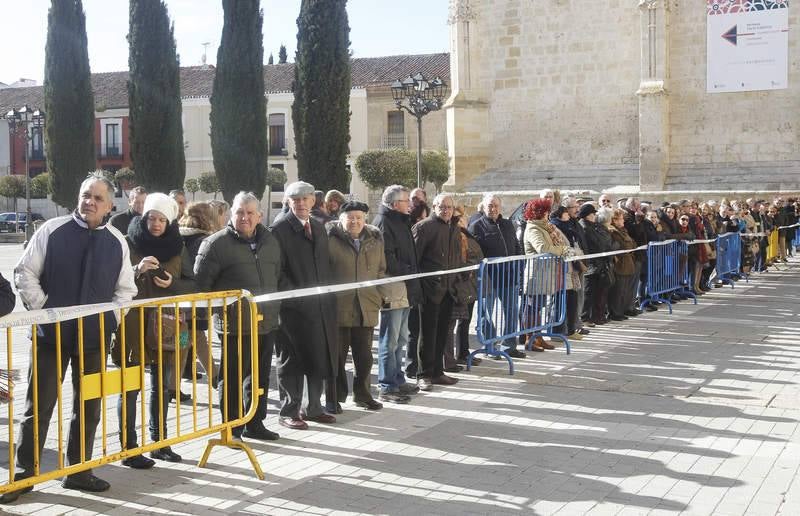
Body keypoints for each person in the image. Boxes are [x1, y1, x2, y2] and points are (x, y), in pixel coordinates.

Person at [6, 172, 137, 502]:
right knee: (39, 405)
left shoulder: (117, 242)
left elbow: (126, 290)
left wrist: (109, 320)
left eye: (97, 197)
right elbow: (25, 273)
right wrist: (45, 310)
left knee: (89, 407)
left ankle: (78, 471)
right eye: (85, 195)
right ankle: (25, 473)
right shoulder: (51, 230)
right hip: (50, 338)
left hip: (93, 340)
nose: (89, 202)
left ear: (109, 205)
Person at [195, 191, 283, 440]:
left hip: (265, 322)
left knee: (259, 376)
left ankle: (255, 423)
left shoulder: (271, 241)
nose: (244, 217)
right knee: (232, 378)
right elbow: (202, 286)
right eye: (239, 212)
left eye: (249, 213)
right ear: (231, 214)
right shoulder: (215, 244)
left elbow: (277, 275)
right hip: (234, 325)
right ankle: (231, 428)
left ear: (259, 215)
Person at [113, 192, 185, 466]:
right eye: (151, 218)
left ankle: (160, 443)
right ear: (143, 219)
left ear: (169, 223)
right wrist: (136, 269)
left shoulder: (179, 247)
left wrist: (173, 284)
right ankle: (129, 449)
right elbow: (112, 278)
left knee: (163, 386)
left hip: (168, 323)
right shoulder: (127, 243)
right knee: (130, 387)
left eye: (161, 219)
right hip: (132, 323)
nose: (156, 224)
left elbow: (194, 282)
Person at [270, 181, 338, 428]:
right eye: (295, 199)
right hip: (293, 310)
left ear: (313, 202)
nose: (300, 204)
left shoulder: (319, 228)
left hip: (320, 307)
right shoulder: (278, 230)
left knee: (318, 354)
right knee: (292, 360)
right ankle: (289, 410)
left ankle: (314, 407)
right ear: (288, 202)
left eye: (305, 199)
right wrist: (297, 297)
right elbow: (277, 273)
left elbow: (325, 266)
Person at [328, 201, 386, 411]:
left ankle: (363, 395)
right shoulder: (330, 240)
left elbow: (381, 270)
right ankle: (334, 398)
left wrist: (378, 297)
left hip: (366, 307)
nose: (354, 221)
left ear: (365, 220)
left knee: (364, 357)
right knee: (337, 357)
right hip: (339, 307)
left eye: (359, 218)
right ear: (341, 219)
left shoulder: (375, 240)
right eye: (350, 217)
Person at [372, 185, 421, 404]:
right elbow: (388, 259)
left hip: (406, 286)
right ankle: (387, 385)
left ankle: (398, 379)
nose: (409, 205)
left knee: (401, 338)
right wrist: (410, 271)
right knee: (389, 340)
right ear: (394, 204)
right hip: (393, 286)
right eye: (405, 202)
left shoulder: (401, 221)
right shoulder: (383, 223)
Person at [412, 193, 463, 391]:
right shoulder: (424, 227)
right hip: (429, 290)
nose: (446, 210)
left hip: (448, 290)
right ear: (434, 207)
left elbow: (457, 257)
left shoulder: (454, 228)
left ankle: (437, 372)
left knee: (443, 332)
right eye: (442, 206)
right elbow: (415, 259)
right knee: (427, 334)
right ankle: (423, 374)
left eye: (449, 207)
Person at [468, 193, 524, 358]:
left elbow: (516, 245)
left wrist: (519, 265)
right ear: (484, 208)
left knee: (511, 313)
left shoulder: (508, 224)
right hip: (489, 279)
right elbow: (474, 254)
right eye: (489, 206)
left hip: (509, 277)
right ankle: (490, 346)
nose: (493, 209)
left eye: (495, 206)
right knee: (486, 313)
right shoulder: (476, 227)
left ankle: (509, 346)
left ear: (500, 208)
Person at [521, 198, 572, 351]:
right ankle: (530, 339)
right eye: (545, 211)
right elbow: (542, 248)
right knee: (532, 307)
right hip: (536, 274)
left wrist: (562, 248)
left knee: (538, 307)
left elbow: (560, 243)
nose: (547, 214)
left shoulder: (546, 227)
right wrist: (562, 250)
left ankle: (538, 337)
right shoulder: (533, 228)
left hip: (546, 274)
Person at [178, 202, 220, 387]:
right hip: (195, 299)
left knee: (189, 339)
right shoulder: (203, 240)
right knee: (186, 340)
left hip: (181, 298)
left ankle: (213, 375)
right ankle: (172, 385)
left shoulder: (178, 236)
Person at [445, 204, 483, 368]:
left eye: (461, 216)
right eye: (456, 217)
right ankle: (449, 359)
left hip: (470, 284)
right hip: (459, 284)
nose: (460, 220)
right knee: (452, 323)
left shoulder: (467, 234)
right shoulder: (456, 236)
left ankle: (463, 353)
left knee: (465, 321)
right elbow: (461, 259)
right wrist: (471, 266)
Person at [580, 204, 614, 326]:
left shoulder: (594, 226)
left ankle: (596, 316)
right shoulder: (585, 227)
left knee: (597, 292)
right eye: (593, 214)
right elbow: (597, 243)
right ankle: (585, 317)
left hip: (599, 263)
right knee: (589, 293)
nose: (595, 216)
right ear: (587, 215)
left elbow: (604, 241)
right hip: (592, 264)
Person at [606, 208, 637, 321]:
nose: (623, 221)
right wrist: (629, 246)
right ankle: (615, 312)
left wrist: (630, 246)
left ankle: (621, 310)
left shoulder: (623, 230)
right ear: (614, 220)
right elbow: (624, 246)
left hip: (628, 263)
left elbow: (633, 244)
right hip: (620, 264)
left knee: (624, 290)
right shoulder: (613, 231)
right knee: (617, 291)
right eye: (621, 219)